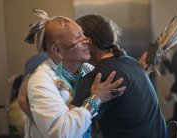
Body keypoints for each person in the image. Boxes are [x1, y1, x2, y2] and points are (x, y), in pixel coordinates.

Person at [19, 9, 126, 138]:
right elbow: (62, 133)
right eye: (78, 38)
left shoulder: (87, 69)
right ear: (57, 50)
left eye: (83, 34)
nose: (87, 41)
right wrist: (95, 99)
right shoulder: (41, 82)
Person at [71, 14, 168, 138]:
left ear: (88, 42)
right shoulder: (132, 62)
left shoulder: (97, 78)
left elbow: (69, 128)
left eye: (75, 40)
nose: (74, 46)